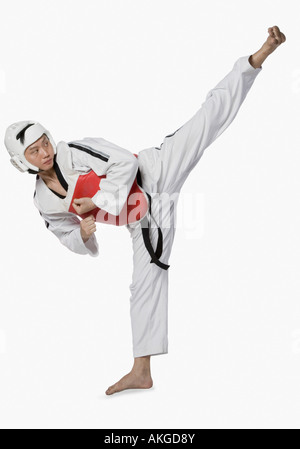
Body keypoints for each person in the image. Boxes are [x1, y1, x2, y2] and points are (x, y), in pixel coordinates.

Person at [4, 26, 286, 396]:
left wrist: (98, 202)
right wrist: (82, 234)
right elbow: (64, 232)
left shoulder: (75, 150)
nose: (44, 152)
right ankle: (142, 371)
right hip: (144, 218)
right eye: (34, 152)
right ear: (22, 163)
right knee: (144, 284)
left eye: (44, 143)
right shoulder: (43, 199)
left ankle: (258, 57)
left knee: (207, 120)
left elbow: (122, 161)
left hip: (155, 171)